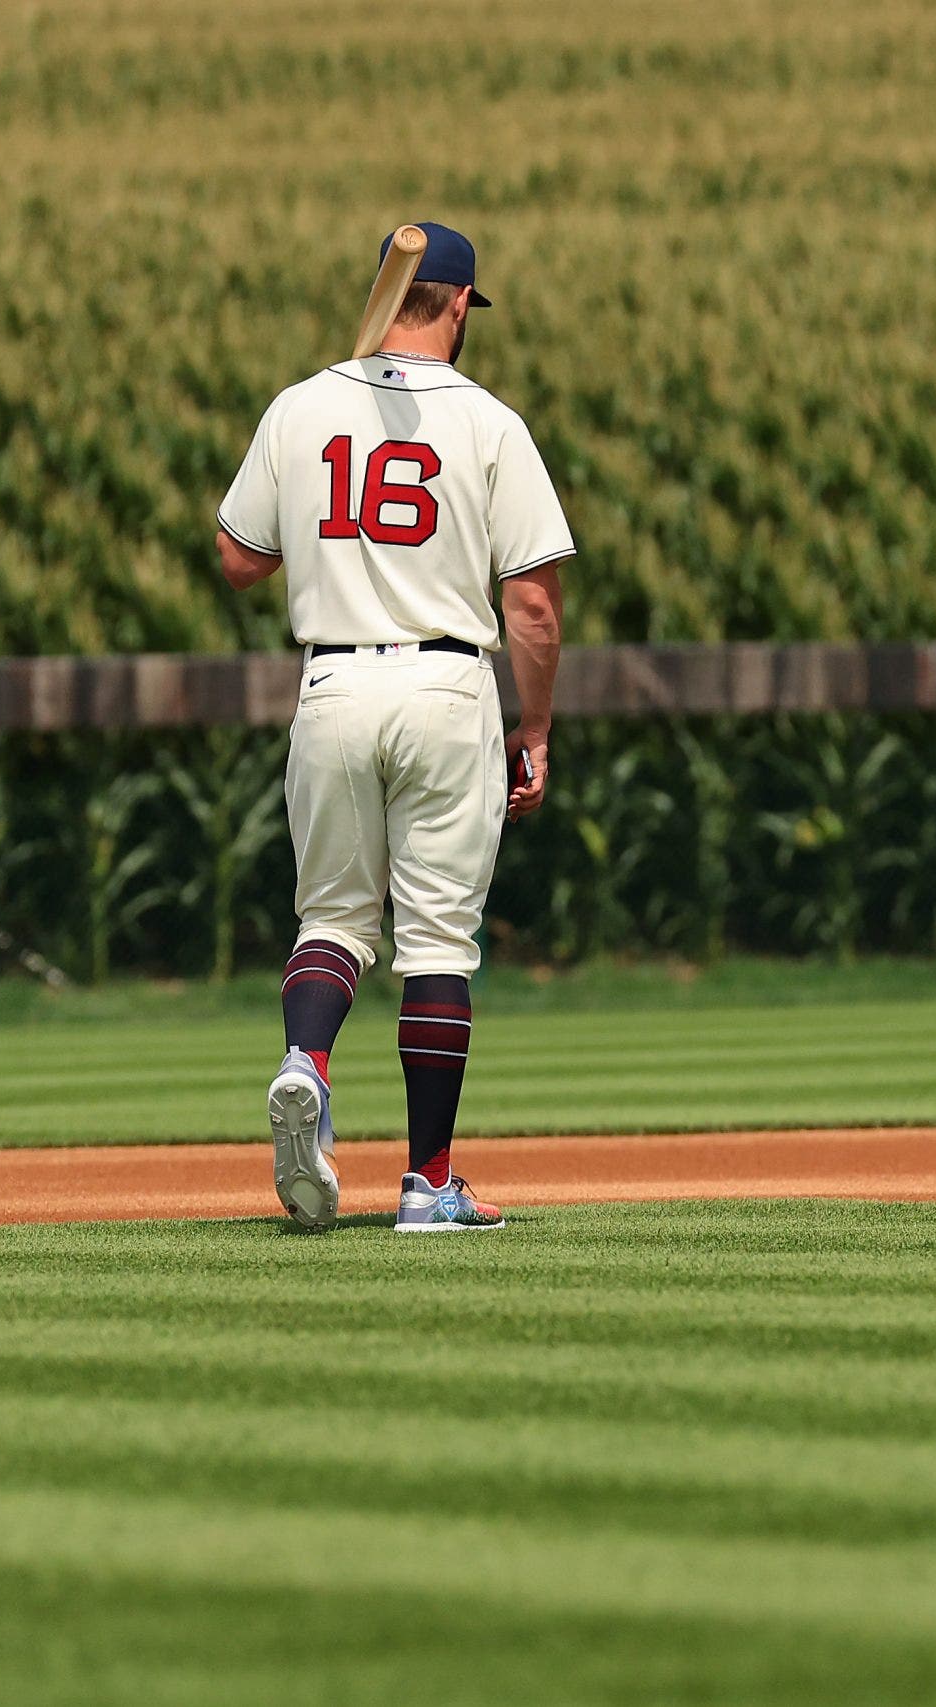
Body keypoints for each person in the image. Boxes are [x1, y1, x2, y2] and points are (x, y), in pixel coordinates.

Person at [214, 220, 569, 1232]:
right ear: (458, 305)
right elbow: (533, 605)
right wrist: (533, 726)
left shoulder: (301, 405)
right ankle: (427, 1184)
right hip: (447, 688)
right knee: (437, 945)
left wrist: (322, 514)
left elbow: (240, 559)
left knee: (332, 921)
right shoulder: (489, 421)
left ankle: (306, 1063)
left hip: (334, 684)